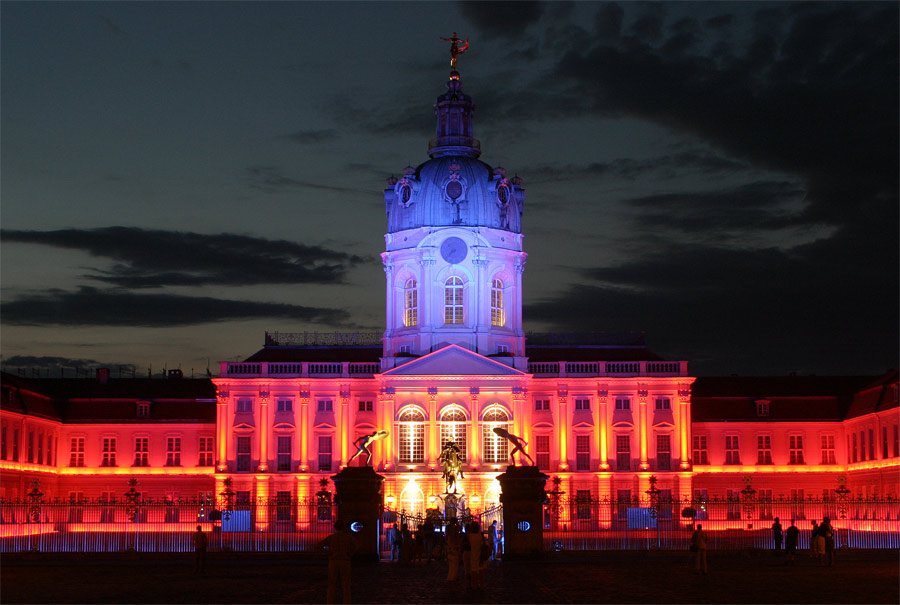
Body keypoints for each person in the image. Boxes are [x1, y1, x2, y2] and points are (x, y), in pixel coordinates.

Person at [318, 520, 357, 604]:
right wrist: (350, 554)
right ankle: (347, 602)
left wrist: (327, 553)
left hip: (333, 561)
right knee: (346, 584)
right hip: (345, 561)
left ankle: (330, 602)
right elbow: (356, 546)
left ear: (335, 528)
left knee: (332, 583)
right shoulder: (348, 537)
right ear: (344, 527)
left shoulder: (332, 537)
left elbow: (319, 545)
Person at [467, 521, 486, 590]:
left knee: (473, 571)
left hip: (473, 554)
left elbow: (469, 545)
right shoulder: (480, 535)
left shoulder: (470, 536)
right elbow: (483, 544)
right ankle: (481, 585)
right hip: (480, 554)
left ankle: (474, 585)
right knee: (481, 571)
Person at [445, 519, 464, 587]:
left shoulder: (448, 535)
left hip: (450, 551)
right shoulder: (454, 536)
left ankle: (450, 578)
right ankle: (453, 579)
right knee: (455, 566)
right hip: (454, 551)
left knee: (451, 566)